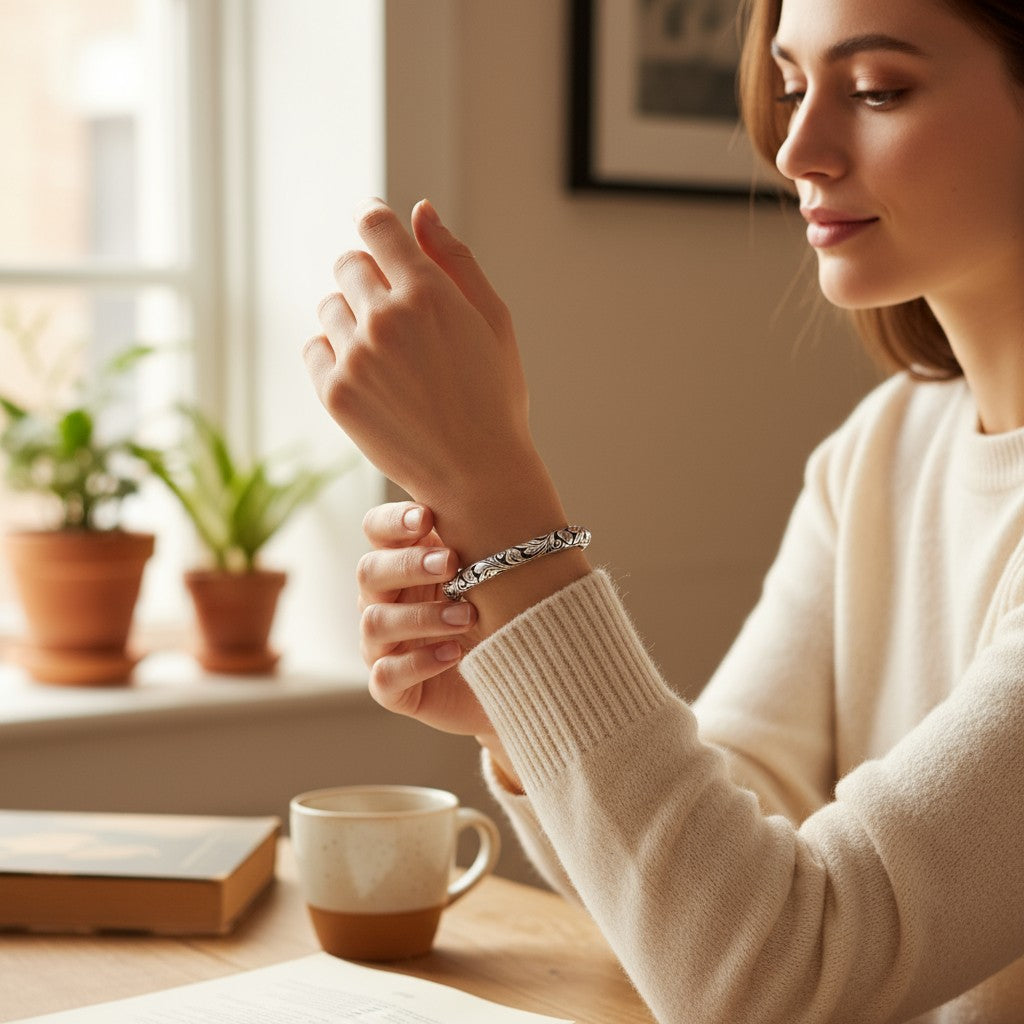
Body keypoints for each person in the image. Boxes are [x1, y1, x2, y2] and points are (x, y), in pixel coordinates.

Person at [301, 0, 1024, 1019]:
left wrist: (497, 503)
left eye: (875, 91)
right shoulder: (879, 450)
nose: (797, 149)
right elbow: (710, 882)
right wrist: (521, 711)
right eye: (788, 85)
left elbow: (771, 969)